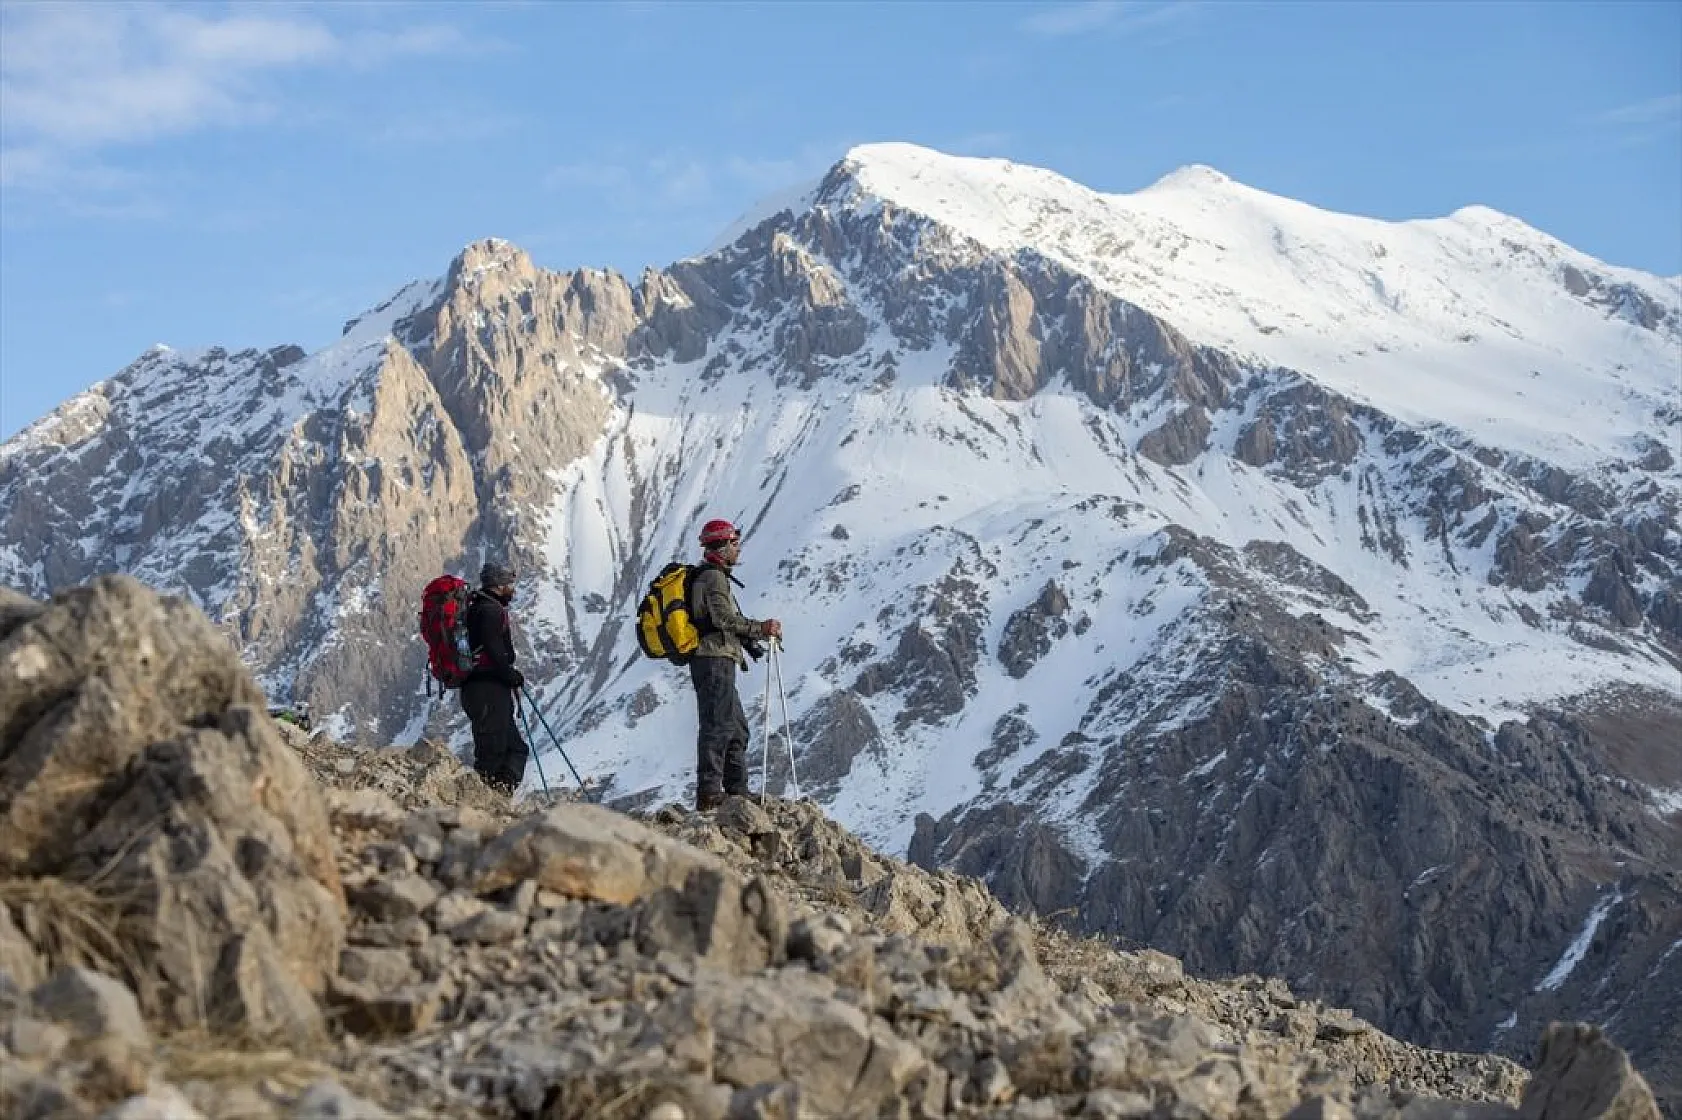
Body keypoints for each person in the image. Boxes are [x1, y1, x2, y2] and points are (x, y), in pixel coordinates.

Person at [688, 518, 782, 811]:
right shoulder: (713, 578)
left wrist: (754, 634)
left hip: (717, 659)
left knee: (735, 727)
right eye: (735, 543)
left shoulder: (713, 576)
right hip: (713, 658)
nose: (738, 549)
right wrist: (760, 629)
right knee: (718, 725)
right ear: (723, 546)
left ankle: (735, 791)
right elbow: (724, 619)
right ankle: (710, 794)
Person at [460, 561, 529, 795]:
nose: (513, 589)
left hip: (481, 690)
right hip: (488, 690)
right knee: (494, 752)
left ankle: (497, 798)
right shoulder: (490, 611)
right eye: (510, 584)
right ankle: (481, 802)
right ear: (499, 585)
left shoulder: (478, 608)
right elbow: (493, 648)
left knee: (514, 749)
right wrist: (510, 675)